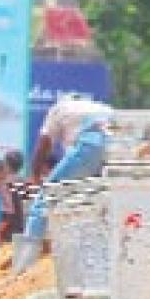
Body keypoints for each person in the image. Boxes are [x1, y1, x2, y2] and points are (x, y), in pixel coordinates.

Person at [24, 94, 113, 240]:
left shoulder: (59, 109)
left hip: (90, 144)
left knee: (45, 199)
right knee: (98, 202)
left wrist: (35, 176)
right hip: (118, 146)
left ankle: (29, 251)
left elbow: (44, 144)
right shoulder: (100, 107)